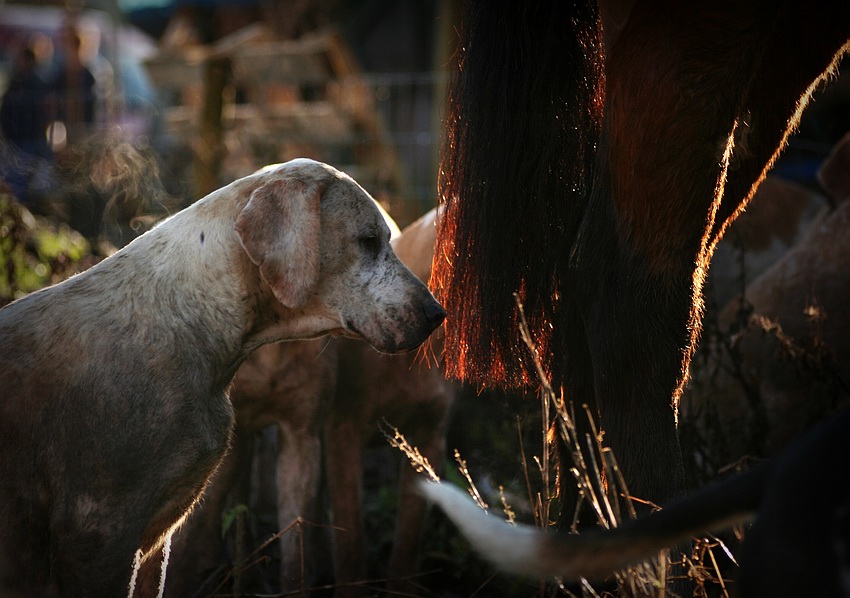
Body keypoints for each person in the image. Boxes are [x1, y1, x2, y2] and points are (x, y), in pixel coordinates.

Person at [0, 40, 54, 205]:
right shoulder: (20, 81)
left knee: (23, 181)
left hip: (27, 139)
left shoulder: (33, 83)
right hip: (20, 139)